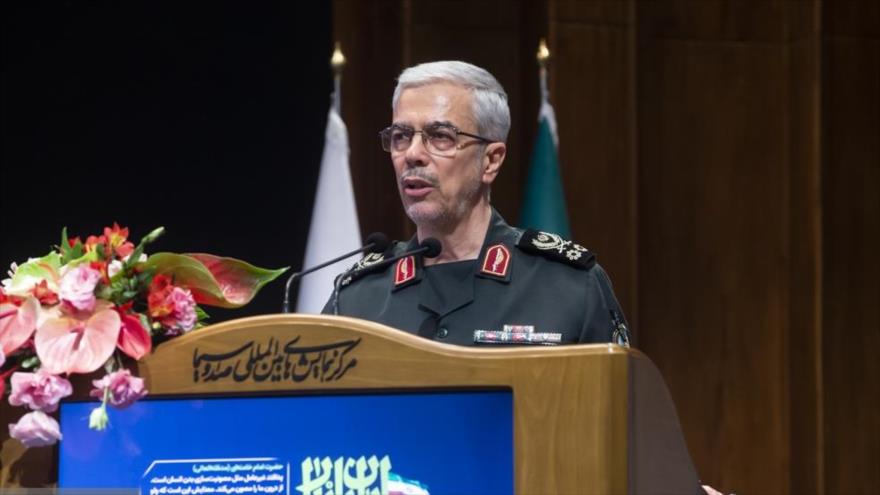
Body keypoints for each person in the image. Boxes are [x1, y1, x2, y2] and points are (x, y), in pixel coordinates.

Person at [323, 60, 629, 348]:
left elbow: (618, 402)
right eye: (401, 136)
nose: (412, 154)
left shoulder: (568, 287)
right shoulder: (355, 299)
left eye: (440, 136)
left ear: (491, 161)